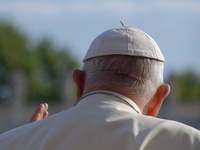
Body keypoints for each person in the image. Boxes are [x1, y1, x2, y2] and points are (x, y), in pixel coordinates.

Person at [0, 25, 200, 150]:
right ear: (159, 97)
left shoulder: (9, 143)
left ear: (78, 83)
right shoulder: (190, 142)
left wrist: (31, 139)